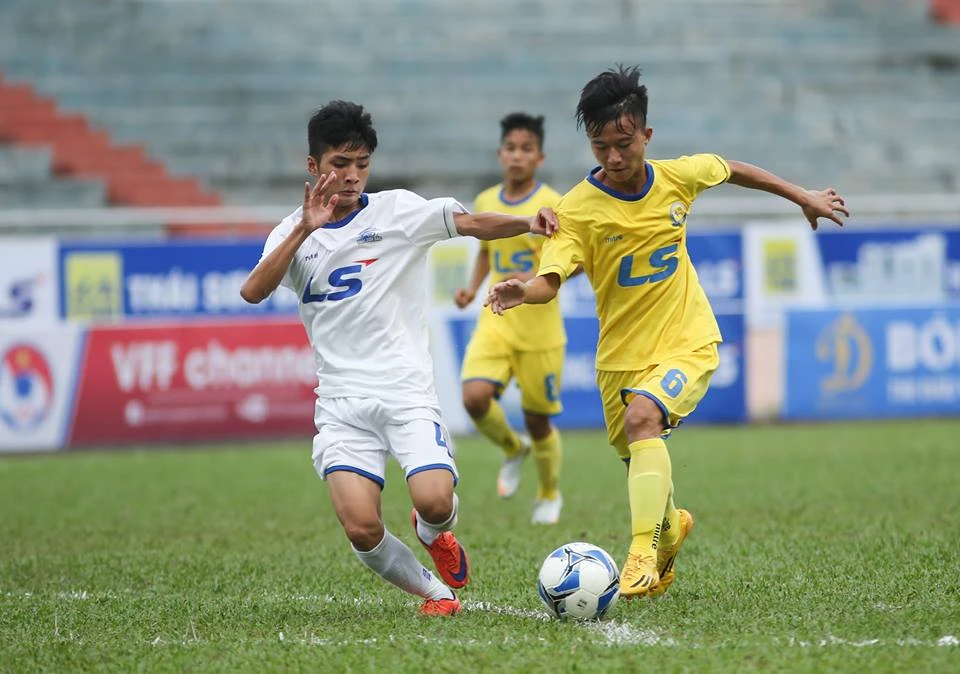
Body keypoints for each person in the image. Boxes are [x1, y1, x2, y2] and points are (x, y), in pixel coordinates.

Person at [486, 65, 849, 600]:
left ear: (646, 135)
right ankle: (670, 528)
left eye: (624, 144)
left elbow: (732, 169)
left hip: (687, 339)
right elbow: (551, 279)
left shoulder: (679, 176)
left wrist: (801, 195)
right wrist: (524, 290)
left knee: (643, 418)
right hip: (619, 358)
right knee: (640, 453)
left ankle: (639, 554)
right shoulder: (575, 209)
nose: (614, 157)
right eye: (601, 146)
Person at [240, 100, 557, 616]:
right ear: (313, 165)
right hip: (341, 405)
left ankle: (432, 532)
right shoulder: (292, 232)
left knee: (435, 502)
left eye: (362, 163)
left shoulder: (398, 213)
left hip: (405, 392)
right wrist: (305, 229)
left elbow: (472, 222)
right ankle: (436, 594)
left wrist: (528, 222)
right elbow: (253, 291)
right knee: (362, 528)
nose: (352, 175)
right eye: (340, 163)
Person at [454, 112, 565, 524]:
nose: (517, 156)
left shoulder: (553, 203)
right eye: (511, 148)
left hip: (539, 327)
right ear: (500, 154)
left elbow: (571, 261)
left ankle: (549, 494)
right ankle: (512, 449)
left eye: (526, 149)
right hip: (496, 318)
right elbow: (486, 249)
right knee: (474, 397)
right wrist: (471, 288)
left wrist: (533, 281)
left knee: (538, 420)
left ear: (540, 157)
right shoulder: (486, 200)